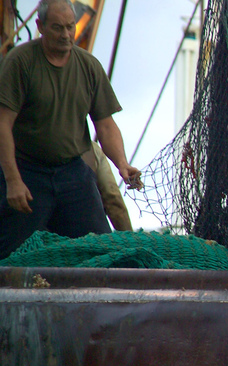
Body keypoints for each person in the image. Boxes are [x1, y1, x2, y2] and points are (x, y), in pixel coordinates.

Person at [0, 0, 142, 260]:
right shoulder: (19, 62)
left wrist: (122, 164)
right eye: (57, 28)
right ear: (40, 26)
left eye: (70, 27)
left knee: (101, 249)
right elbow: (2, 125)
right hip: (28, 172)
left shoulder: (89, 66)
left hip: (73, 174)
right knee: (10, 253)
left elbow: (106, 124)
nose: (66, 34)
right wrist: (12, 180)